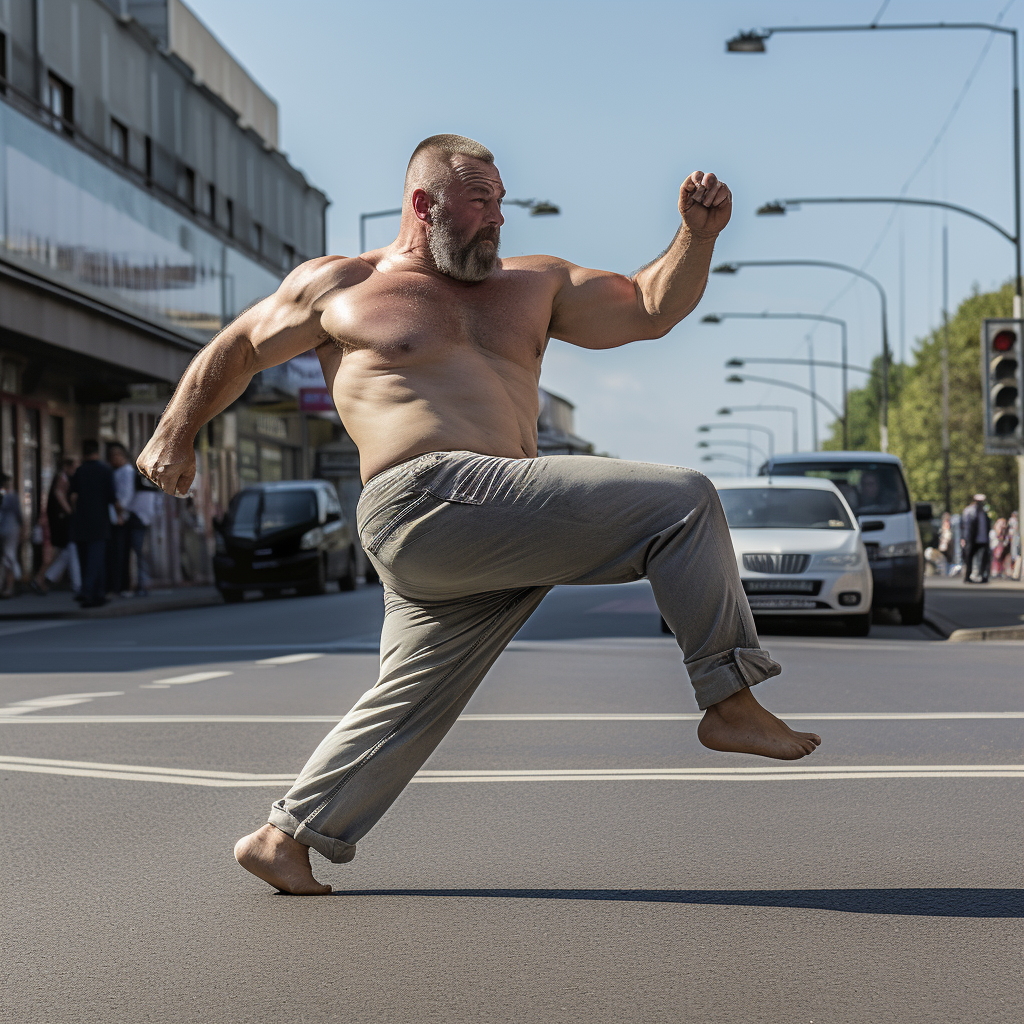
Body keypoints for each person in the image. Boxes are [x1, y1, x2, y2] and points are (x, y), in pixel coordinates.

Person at [139, 135, 821, 896]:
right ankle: (727, 698)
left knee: (412, 695)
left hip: (498, 520)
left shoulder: (533, 283)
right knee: (682, 500)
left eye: (502, 200)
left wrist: (696, 238)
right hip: (421, 500)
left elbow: (648, 307)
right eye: (480, 202)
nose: (498, 218)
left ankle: (285, 836)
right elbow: (237, 348)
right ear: (424, 205)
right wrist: (176, 432)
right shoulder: (345, 285)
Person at [70, 439, 118, 608]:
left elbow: (73, 497)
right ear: (98, 452)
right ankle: (93, 593)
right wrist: (118, 515)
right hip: (100, 522)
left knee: (85, 560)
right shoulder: (105, 471)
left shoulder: (79, 471)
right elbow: (112, 497)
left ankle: (93, 592)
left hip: (81, 522)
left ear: (84, 453)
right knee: (97, 559)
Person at [33, 457, 81, 595]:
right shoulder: (62, 478)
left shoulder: (62, 477)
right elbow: (59, 494)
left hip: (57, 520)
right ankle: (42, 578)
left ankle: (45, 577)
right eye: (74, 467)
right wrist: (70, 511)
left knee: (64, 550)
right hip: (58, 521)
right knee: (57, 551)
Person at [106, 443, 136, 596]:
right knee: (117, 553)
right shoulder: (119, 472)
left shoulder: (126, 472)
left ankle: (121, 586)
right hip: (118, 516)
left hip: (121, 517)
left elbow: (125, 495)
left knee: (120, 554)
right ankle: (118, 585)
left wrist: (119, 510)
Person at [126, 475, 160, 597]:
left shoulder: (141, 481)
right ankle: (142, 583)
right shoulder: (149, 483)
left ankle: (142, 583)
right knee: (141, 554)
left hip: (140, 521)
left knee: (140, 554)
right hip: (144, 521)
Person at [0, 470, 24, 598]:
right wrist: (22, 530)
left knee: (7, 557)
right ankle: (11, 584)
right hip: (10, 529)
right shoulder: (12, 496)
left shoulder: (7, 496)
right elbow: (18, 515)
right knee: (9, 556)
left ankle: (8, 585)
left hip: (6, 529)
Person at [961, 493, 991, 584]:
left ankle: (982, 575)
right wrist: (964, 538)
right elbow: (964, 526)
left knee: (983, 558)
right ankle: (967, 576)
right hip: (971, 539)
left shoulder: (985, 512)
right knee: (969, 557)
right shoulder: (969, 511)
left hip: (983, 539)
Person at [936, 511, 954, 576]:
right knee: (946, 557)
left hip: (946, 542)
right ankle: (946, 571)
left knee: (947, 557)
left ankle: (946, 571)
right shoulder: (945, 524)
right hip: (945, 542)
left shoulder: (947, 524)